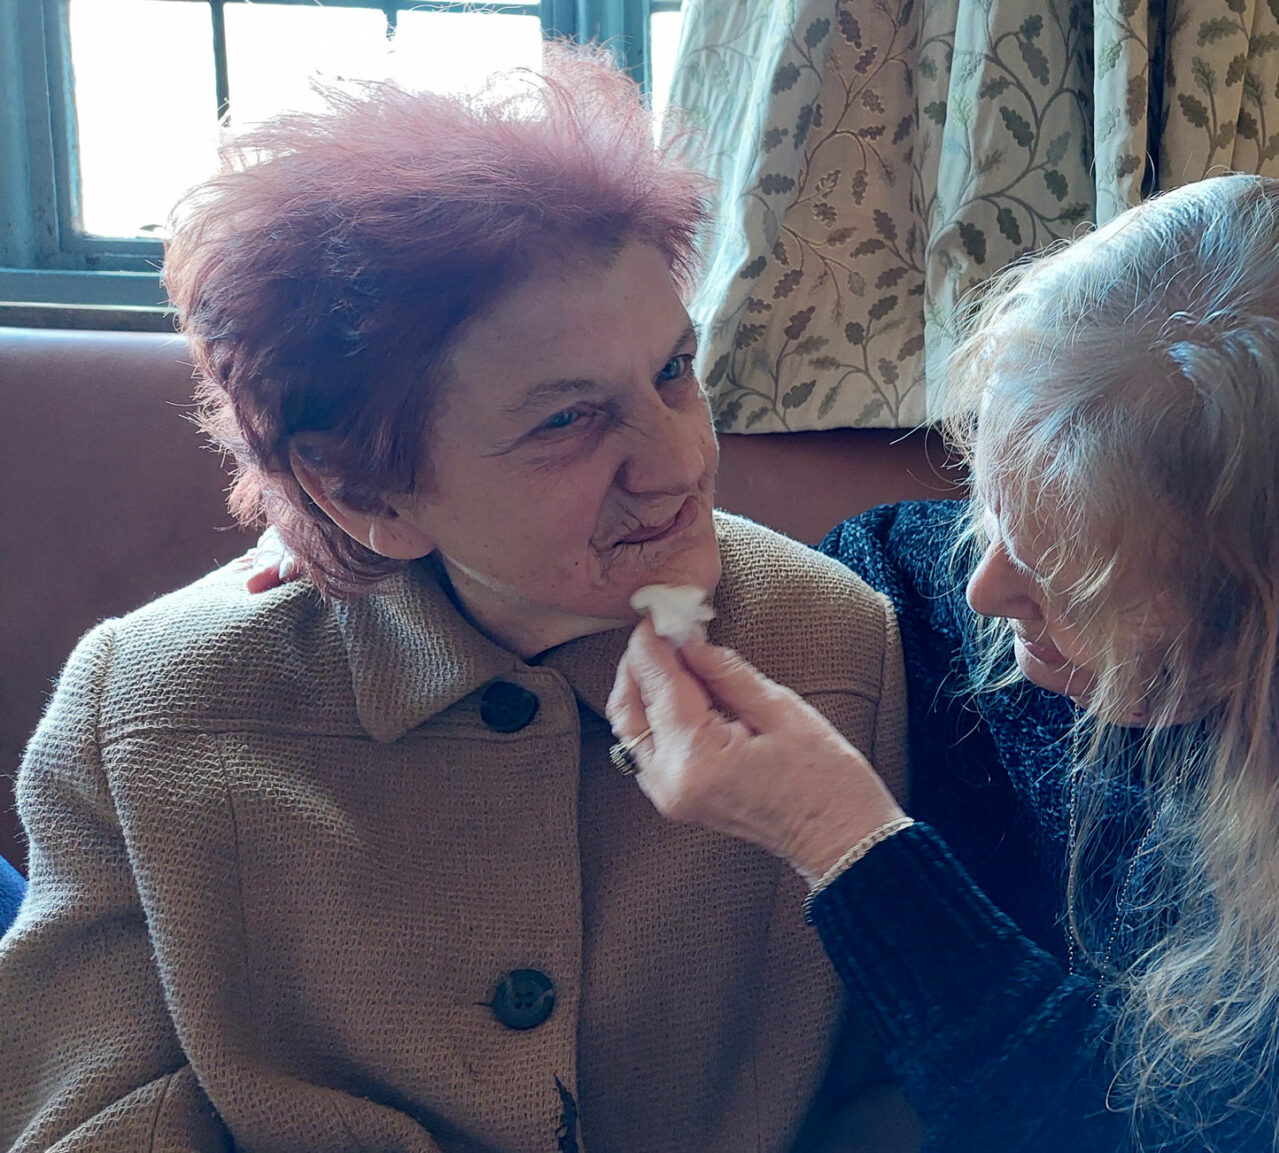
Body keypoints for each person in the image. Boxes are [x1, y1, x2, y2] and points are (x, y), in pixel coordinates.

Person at [610, 174, 1279, 1150]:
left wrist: (844, 840)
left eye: (1074, 583)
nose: (983, 589)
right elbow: (883, 569)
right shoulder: (954, 590)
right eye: (992, 508)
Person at [0, 50, 916, 1153]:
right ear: (362, 491)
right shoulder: (145, 709)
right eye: (566, 421)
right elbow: (90, 1125)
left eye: (673, 370)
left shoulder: (840, 646)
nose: (681, 463)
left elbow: (899, 1094)